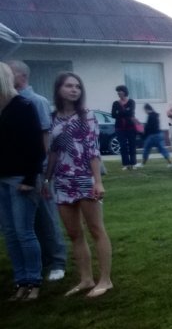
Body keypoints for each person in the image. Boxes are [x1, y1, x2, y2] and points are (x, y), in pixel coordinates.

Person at [44, 72, 113, 298]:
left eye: (77, 86)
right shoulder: (52, 118)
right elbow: (53, 152)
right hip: (62, 181)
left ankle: (105, 280)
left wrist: (98, 181)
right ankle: (85, 279)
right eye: (69, 86)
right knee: (74, 233)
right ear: (59, 89)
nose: (74, 90)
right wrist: (47, 179)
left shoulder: (86, 116)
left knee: (96, 230)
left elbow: (93, 150)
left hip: (85, 179)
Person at [8, 60, 68, 281]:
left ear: (21, 76)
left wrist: (42, 172)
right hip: (16, 172)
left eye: (9, 73)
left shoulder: (37, 101)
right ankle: (40, 259)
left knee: (46, 217)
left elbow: (45, 138)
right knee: (26, 221)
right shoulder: (9, 103)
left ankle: (57, 261)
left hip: (38, 170)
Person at [0, 62, 46, 301]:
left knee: (24, 232)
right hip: (2, 179)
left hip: (21, 179)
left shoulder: (23, 106)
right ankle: (21, 281)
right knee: (10, 234)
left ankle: (34, 281)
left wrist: (29, 178)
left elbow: (36, 147)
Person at [135, 103, 172, 169]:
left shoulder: (150, 116)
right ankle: (171, 163)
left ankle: (142, 164)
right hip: (159, 134)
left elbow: (148, 128)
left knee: (146, 149)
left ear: (146, 109)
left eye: (144, 110)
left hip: (152, 136)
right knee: (162, 149)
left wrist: (142, 134)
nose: (145, 112)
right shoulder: (156, 115)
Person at [111, 85, 138, 170]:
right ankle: (126, 164)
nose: (118, 93)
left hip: (131, 127)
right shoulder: (115, 103)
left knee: (132, 145)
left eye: (120, 91)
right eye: (117, 91)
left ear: (124, 92)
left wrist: (120, 112)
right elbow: (113, 115)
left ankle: (133, 163)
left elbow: (131, 113)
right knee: (123, 146)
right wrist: (126, 112)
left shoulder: (131, 102)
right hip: (119, 128)